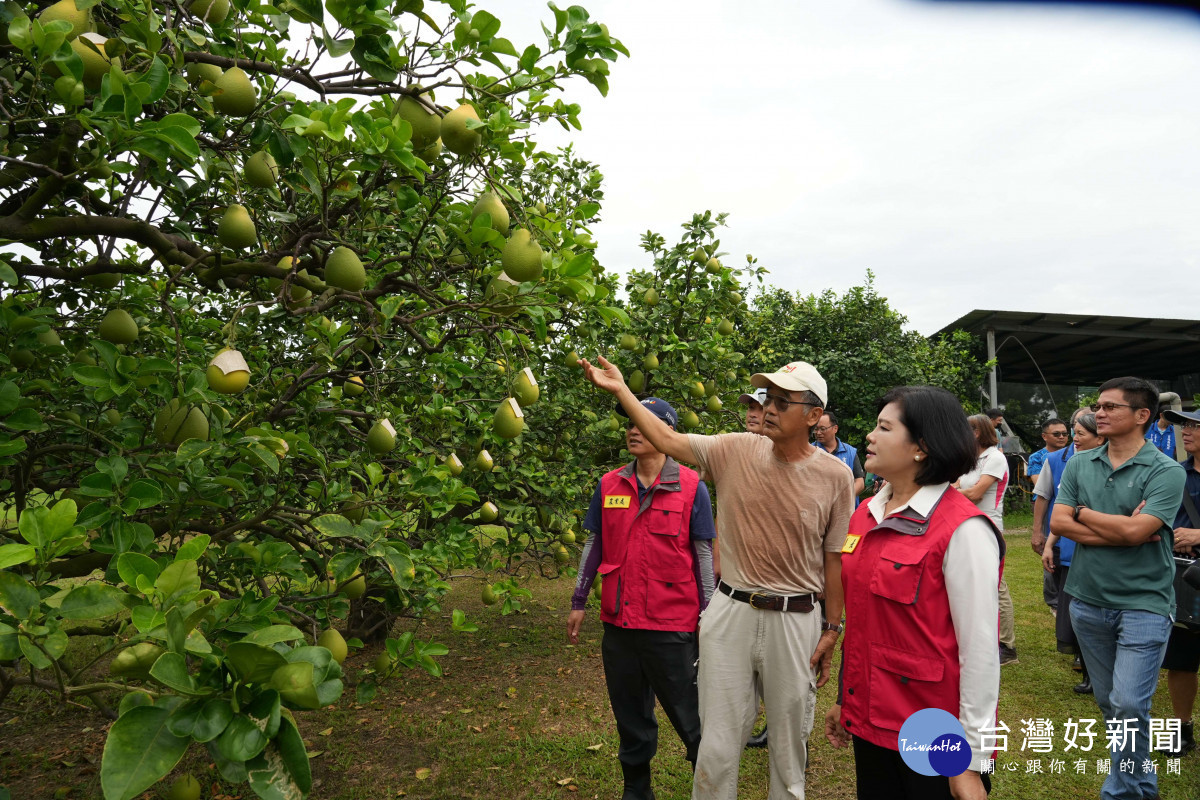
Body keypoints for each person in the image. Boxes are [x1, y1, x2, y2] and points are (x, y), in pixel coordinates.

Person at [579, 356, 853, 800]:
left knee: (788, 747)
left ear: (814, 415)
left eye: (784, 401)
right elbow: (665, 436)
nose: (769, 408)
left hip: (795, 615)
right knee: (718, 744)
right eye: (769, 398)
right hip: (730, 612)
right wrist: (620, 392)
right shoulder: (734, 449)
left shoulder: (836, 477)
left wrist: (832, 627)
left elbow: (833, 558)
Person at [824, 386, 1001, 800]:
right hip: (871, 717)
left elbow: (979, 651)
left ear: (922, 447)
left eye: (884, 428)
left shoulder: (963, 529)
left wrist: (971, 758)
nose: (869, 435)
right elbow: (865, 621)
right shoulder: (865, 515)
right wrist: (846, 702)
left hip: (931, 727)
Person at [567, 397, 717, 800]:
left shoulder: (691, 487)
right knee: (630, 718)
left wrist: (710, 615)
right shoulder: (609, 484)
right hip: (620, 625)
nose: (633, 429)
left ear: (662, 432)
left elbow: (704, 555)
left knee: (691, 719)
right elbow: (594, 544)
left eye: (642, 423)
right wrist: (579, 600)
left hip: (671, 626)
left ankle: (708, 788)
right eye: (629, 422)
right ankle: (636, 790)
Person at [1050, 377, 1187, 800]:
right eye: (1098, 405)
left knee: (1128, 704)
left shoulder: (1166, 470)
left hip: (1144, 603)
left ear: (1142, 416)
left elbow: (1137, 531)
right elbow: (1058, 522)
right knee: (1112, 705)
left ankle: (1123, 793)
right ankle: (1141, 788)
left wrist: (1085, 514)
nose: (1099, 413)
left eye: (1111, 407)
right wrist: (1119, 527)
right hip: (1087, 600)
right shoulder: (1078, 463)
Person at [1038, 412, 1107, 694]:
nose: (1072, 440)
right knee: (1077, 612)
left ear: (1100, 437)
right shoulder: (1067, 463)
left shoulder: (1113, 466)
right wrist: (1048, 542)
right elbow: (1058, 511)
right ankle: (1089, 670)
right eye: (1072, 433)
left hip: (1104, 553)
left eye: (1079, 434)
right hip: (1071, 549)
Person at [1157, 407, 1200, 757]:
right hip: (1183, 578)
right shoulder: (1174, 473)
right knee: (1181, 658)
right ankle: (1181, 728)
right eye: (1184, 424)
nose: (1185, 431)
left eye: (1195, 425)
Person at [958, 414, 1016, 665]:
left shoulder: (995, 457)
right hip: (968, 525)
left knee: (996, 586)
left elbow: (975, 494)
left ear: (978, 432)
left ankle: (1007, 646)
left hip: (989, 527)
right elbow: (958, 486)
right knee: (973, 584)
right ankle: (983, 639)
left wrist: (952, 492)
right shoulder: (971, 459)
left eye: (965, 430)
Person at [737, 385, 770, 750]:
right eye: (749, 407)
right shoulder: (737, 451)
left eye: (759, 407)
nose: (752, 412)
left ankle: (791, 739)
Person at [1028, 418, 1070, 616]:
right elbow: (1041, 486)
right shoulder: (1039, 457)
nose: (1062, 437)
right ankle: (1054, 600)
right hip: (1048, 510)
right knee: (1050, 551)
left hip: (1069, 513)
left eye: (1064, 433)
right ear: (1045, 436)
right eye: (1057, 434)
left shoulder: (1074, 453)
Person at [813, 411, 866, 503]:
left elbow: (859, 482)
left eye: (822, 429)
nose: (818, 433)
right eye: (816, 429)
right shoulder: (810, 451)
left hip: (848, 512)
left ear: (835, 429)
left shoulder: (850, 452)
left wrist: (843, 500)